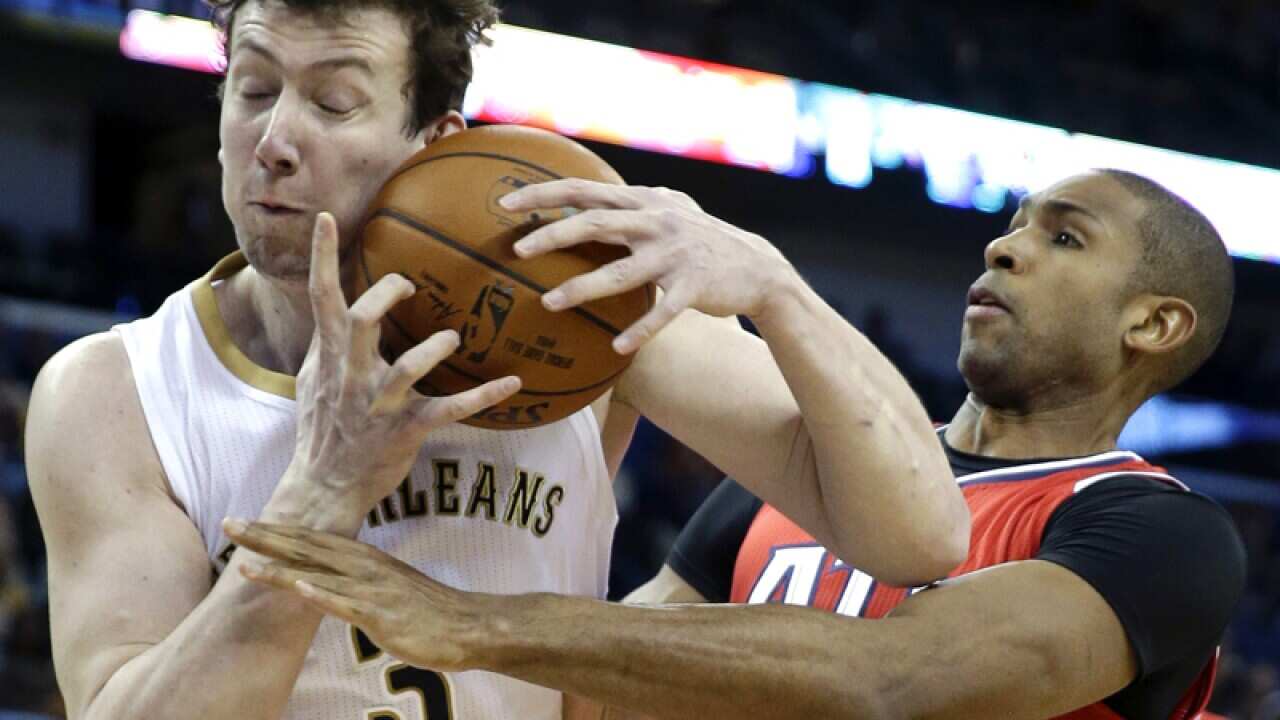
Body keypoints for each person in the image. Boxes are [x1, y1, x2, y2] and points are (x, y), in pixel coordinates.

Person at [22, 0, 969, 718]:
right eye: (255, 90)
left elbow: (919, 537)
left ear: (431, 146)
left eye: (336, 102)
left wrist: (776, 290)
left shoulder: (573, 307)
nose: (273, 141)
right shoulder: (113, 391)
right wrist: (319, 495)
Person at [226, 169, 1247, 719]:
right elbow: (597, 703)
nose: (1002, 244)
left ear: (1151, 326)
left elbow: (894, 681)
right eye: (1014, 221)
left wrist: (467, 620)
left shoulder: (1156, 535)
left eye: (1062, 238)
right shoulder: (799, 479)